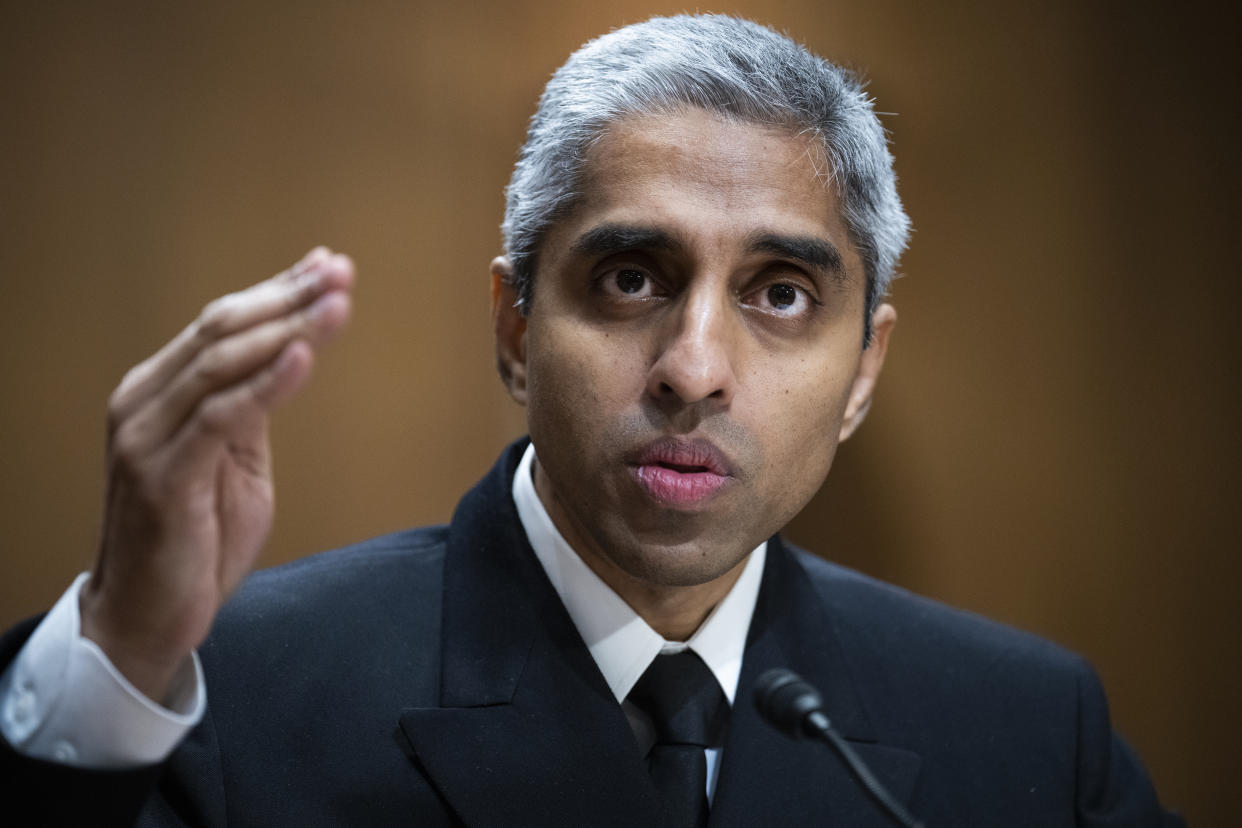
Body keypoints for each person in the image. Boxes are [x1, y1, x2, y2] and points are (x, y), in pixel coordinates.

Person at [0, 14, 1182, 828]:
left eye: (780, 294)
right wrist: (122, 645)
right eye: (631, 278)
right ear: (514, 325)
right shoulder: (218, 695)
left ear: (864, 368)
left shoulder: (1025, 730)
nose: (694, 369)